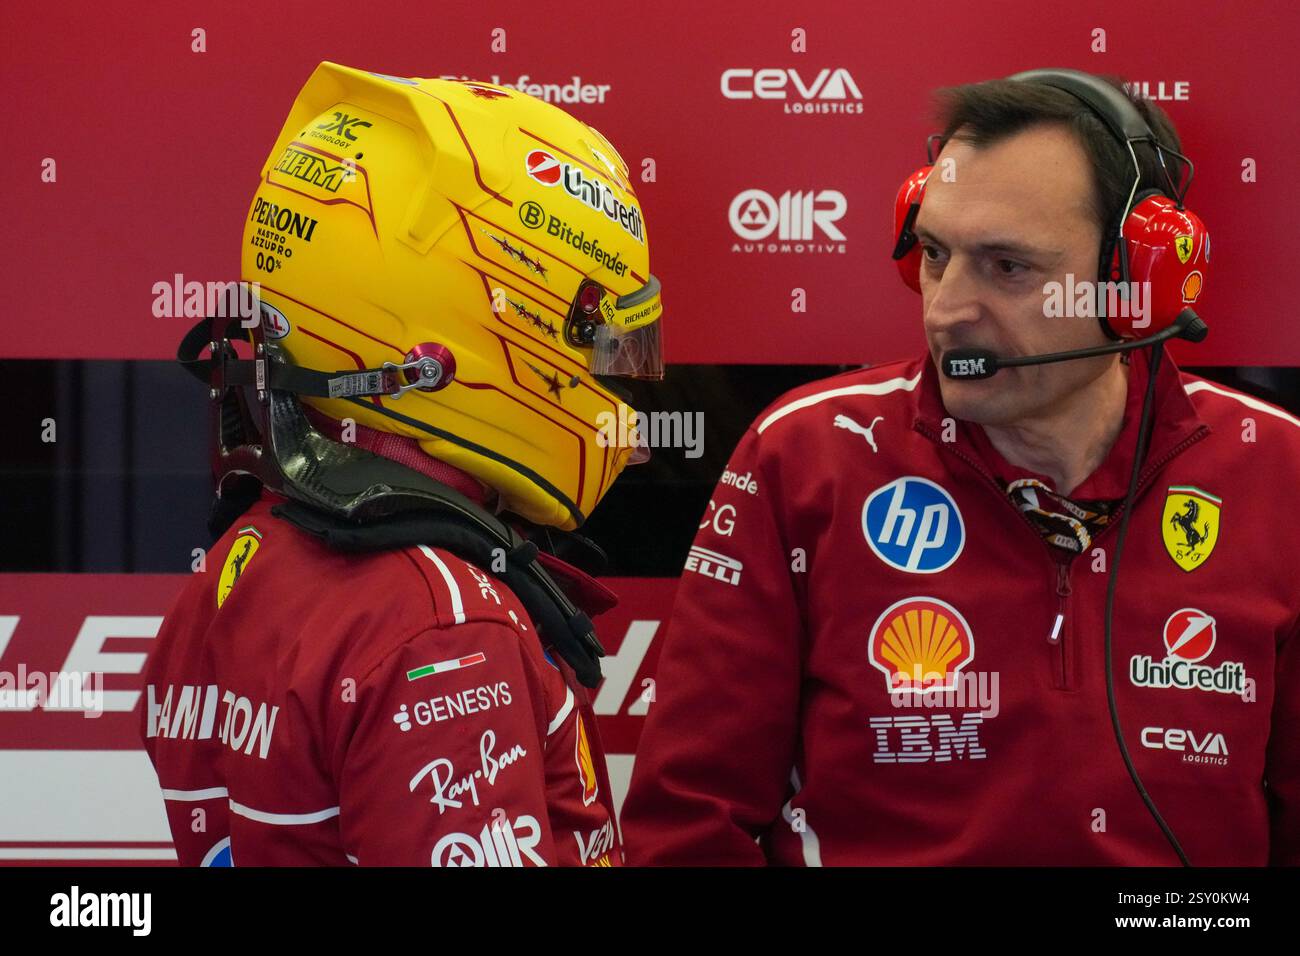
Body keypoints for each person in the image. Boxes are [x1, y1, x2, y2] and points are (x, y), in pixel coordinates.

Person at [622, 68, 1300, 865]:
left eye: (1008, 268)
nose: (944, 310)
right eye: (936, 254)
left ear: (1136, 285)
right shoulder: (806, 457)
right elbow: (687, 828)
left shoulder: (1277, 473)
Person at [140, 61, 664, 867]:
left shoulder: (243, 558)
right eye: (601, 341)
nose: (614, 375)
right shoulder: (445, 629)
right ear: (452, 343)